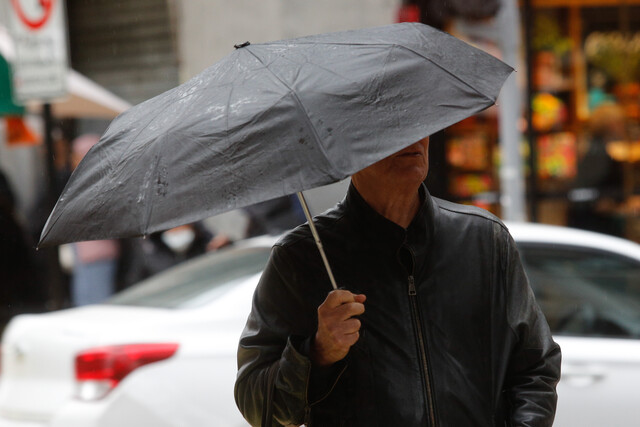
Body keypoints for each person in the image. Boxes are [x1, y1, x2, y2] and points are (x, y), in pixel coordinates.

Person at [235, 137, 561, 426]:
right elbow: (257, 404)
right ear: (346, 149)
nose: (413, 137)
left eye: (420, 121)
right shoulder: (301, 258)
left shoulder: (484, 240)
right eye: (389, 126)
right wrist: (317, 353)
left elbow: (535, 365)